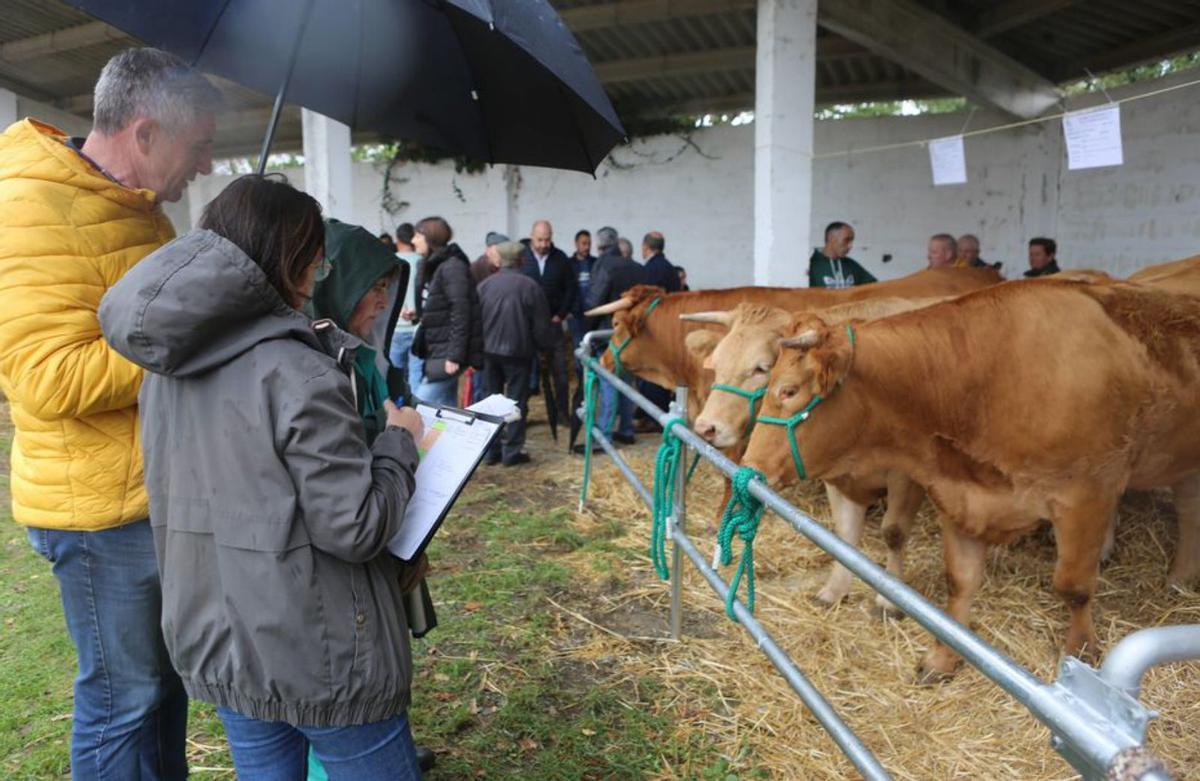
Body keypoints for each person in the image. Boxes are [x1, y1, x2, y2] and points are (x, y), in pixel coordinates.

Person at [99, 174, 429, 781]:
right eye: (314, 253)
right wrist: (398, 445)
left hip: (225, 638)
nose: (321, 268)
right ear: (289, 259)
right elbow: (355, 527)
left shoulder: (162, 372)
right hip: (320, 651)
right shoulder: (300, 372)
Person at [0, 47, 220, 780]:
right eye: (200, 147)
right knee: (123, 698)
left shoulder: (137, 207)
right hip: (95, 512)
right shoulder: (30, 205)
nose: (208, 167)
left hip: (150, 490)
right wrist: (186, 340)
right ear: (147, 133)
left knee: (162, 690)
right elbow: (43, 376)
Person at [309, 219, 436, 778]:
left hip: (385, 518)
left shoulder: (364, 358)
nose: (383, 299)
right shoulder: (319, 366)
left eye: (389, 285)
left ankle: (390, 744)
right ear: (336, 283)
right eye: (372, 285)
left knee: (388, 647)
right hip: (351, 538)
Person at [479, 241, 555, 466]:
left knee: (490, 402)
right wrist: (545, 350)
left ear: (500, 261)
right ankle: (511, 452)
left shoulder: (484, 286)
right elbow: (541, 326)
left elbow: (474, 321)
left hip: (489, 352)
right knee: (516, 402)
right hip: (519, 353)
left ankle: (490, 452)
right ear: (522, 261)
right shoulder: (530, 286)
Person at [584, 226, 647, 447]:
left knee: (608, 382)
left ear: (600, 246)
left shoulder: (603, 265)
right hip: (633, 334)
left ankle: (605, 434)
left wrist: (587, 329)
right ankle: (627, 429)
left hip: (607, 332)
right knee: (627, 381)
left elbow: (594, 300)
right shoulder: (638, 268)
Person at [411, 216, 484, 407]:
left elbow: (461, 312)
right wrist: (418, 314)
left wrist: (455, 356)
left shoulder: (452, 267)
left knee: (420, 404)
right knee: (446, 407)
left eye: (417, 236)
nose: (413, 241)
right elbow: (439, 305)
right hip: (435, 348)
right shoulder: (431, 265)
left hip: (447, 352)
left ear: (430, 238)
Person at [520, 220, 575, 423]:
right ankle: (522, 416)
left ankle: (562, 413)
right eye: (540, 239)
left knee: (560, 370)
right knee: (523, 372)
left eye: (547, 239)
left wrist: (561, 313)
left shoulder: (560, 258)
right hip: (526, 326)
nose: (544, 244)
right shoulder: (522, 257)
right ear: (532, 237)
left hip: (552, 324)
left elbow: (571, 289)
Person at [390, 223, 425, 400]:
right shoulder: (422, 261)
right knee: (416, 376)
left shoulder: (391, 261)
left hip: (396, 327)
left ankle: (398, 414)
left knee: (394, 377)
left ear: (397, 239)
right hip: (419, 328)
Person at [808, 222, 876, 288]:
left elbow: (873, 287)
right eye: (846, 240)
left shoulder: (851, 265)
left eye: (851, 241)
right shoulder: (812, 266)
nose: (850, 246)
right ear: (831, 238)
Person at [569, 229, 597, 352]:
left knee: (593, 346)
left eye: (589, 243)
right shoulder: (569, 264)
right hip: (575, 314)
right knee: (578, 346)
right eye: (584, 243)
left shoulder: (595, 263)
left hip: (592, 313)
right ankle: (579, 371)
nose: (587, 247)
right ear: (576, 244)